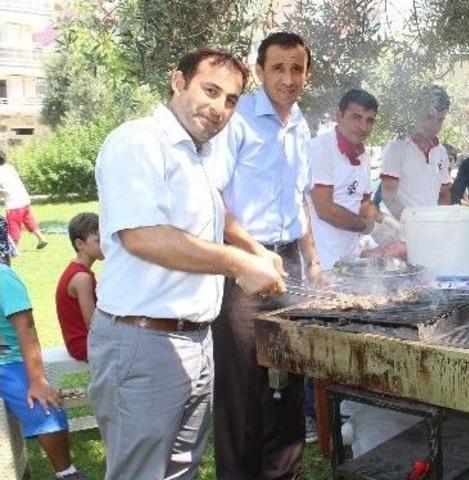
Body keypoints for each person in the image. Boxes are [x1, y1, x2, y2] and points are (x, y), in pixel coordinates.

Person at [90, 48, 285, 480]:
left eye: (231, 99)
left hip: (196, 341)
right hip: (142, 341)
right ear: (178, 81)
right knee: (140, 473)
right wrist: (238, 265)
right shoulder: (137, 142)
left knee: (182, 470)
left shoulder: (198, 153)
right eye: (210, 91)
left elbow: (216, 210)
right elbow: (143, 236)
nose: (219, 108)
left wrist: (254, 249)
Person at [214, 32, 325, 479]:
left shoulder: (301, 125)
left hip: (290, 268)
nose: (288, 77)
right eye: (278, 68)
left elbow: (301, 201)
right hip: (242, 270)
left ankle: (284, 473)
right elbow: (214, 202)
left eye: (297, 68)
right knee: (243, 389)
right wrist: (255, 253)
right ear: (259, 72)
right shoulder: (237, 119)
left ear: (307, 74)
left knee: (288, 378)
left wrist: (313, 260)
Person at [2, 258, 90, 480]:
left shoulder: (3, 277)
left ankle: (66, 472)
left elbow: (26, 326)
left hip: (9, 360)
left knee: (45, 409)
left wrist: (37, 380)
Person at [309, 89, 395, 269]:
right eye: (356, 117)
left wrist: (388, 223)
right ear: (339, 116)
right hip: (322, 261)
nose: (363, 127)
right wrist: (368, 227)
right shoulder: (320, 149)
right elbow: (325, 209)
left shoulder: (362, 155)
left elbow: (363, 203)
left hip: (351, 259)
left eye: (369, 120)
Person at [380, 85, 453, 219]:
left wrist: (442, 221)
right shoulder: (397, 147)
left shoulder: (441, 152)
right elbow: (389, 195)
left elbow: (443, 194)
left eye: (440, 120)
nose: (434, 126)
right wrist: (413, 223)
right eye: (429, 117)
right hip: (401, 231)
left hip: (430, 230)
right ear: (416, 112)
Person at [54, 212, 102, 362]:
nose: (105, 245)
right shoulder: (82, 278)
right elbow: (93, 324)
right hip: (84, 344)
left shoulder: (78, 270)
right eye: (98, 241)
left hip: (87, 341)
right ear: (79, 244)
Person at [0, 150, 48, 249]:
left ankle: (13, 249)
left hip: (14, 204)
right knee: (29, 220)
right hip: (24, 199)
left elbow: (6, 191)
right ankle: (41, 238)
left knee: (13, 226)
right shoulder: (10, 167)